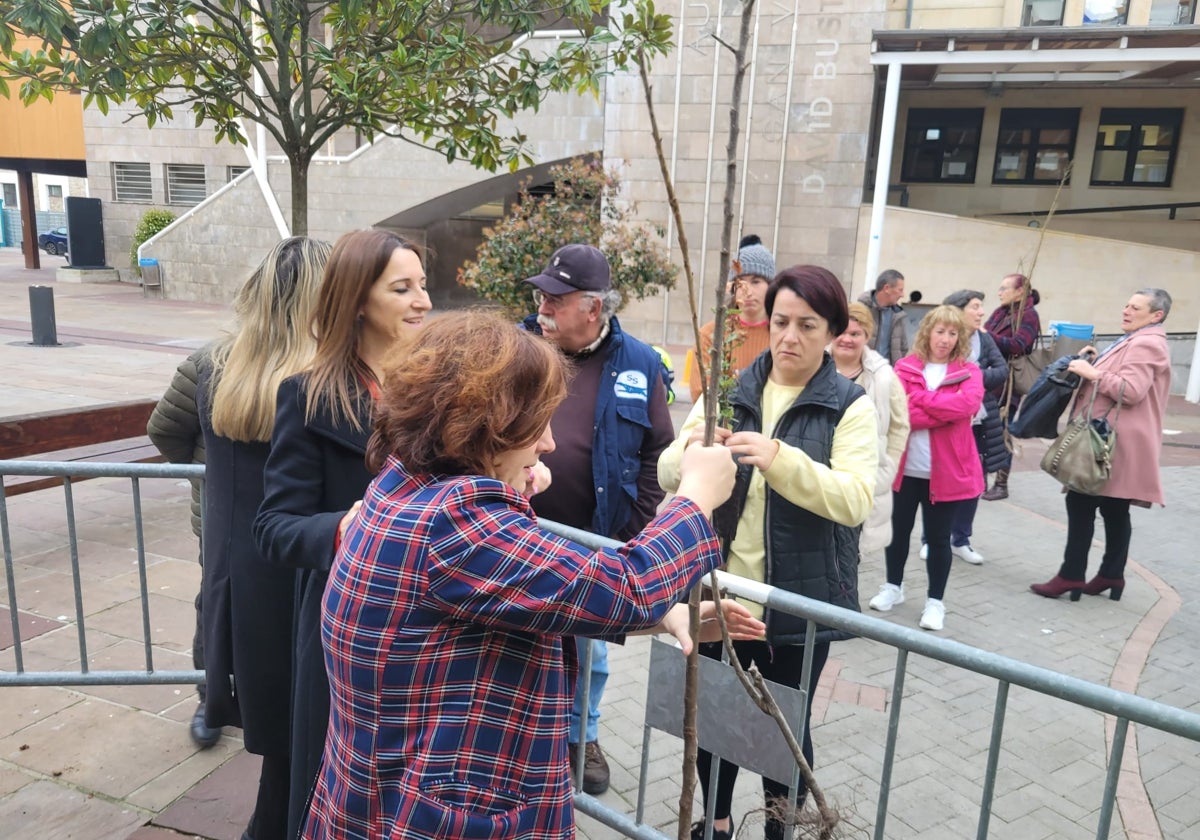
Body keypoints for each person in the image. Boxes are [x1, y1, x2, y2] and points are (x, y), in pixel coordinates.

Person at [300, 310, 760, 840]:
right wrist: (696, 497)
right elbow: (624, 586)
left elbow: (529, 601)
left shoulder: (405, 486)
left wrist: (666, 616)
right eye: (535, 423)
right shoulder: (454, 521)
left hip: (382, 802)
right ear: (483, 425)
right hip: (430, 820)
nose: (548, 443)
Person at [660, 265, 878, 840]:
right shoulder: (729, 390)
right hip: (718, 592)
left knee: (783, 728)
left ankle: (780, 827)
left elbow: (855, 500)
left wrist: (782, 458)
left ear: (833, 331)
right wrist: (696, 449)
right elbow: (667, 470)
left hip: (794, 603)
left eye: (809, 325)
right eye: (782, 321)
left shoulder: (848, 405)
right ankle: (718, 818)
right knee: (714, 717)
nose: (790, 337)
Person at [252, 229, 431, 840]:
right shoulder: (306, 396)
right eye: (402, 288)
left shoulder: (440, 388)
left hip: (432, 625)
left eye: (423, 286)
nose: (422, 302)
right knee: (343, 791)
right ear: (359, 300)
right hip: (346, 629)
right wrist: (344, 528)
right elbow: (274, 528)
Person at [519, 242, 676, 795]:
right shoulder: (519, 347)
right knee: (520, 641)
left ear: (592, 307)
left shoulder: (639, 362)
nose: (542, 305)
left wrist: (629, 532)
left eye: (555, 299)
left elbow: (660, 449)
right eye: (541, 294)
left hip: (593, 539)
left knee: (589, 649)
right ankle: (527, 736)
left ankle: (580, 737)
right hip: (518, 531)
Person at [195, 237, 330, 840]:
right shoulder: (320, 388)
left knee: (280, 743)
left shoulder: (216, 369)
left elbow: (166, 431)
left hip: (243, 578)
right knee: (305, 745)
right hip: (303, 581)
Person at [1030, 289, 1172, 601]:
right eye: (1126, 304)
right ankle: (1112, 574)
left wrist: (1093, 373)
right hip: (1115, 440)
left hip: (1109, 442)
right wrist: (1096, 360)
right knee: (1114, 508)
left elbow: (1131, 390)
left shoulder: (1147, 342)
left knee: (1080, 504)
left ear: (1156, 315)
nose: (1126, 311)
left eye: (1135, 307)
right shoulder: (1138, 338)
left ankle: (1072, 576)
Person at [868, 306, 984, 632]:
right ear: (927, 332)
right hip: (905, 471)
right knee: (898, 534)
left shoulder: (969, 372)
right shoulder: (904, 368)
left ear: (960, 338)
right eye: (939, 331)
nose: (945, 340)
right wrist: (943, 412)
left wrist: (922, 402)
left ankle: (935, 602)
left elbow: (967, 405)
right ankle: (893, 587)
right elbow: (899, 414)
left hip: (944, 475)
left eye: (952, 333)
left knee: (938, 538)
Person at [146, 349, 221, 750]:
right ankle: (210, 701)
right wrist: (202, 475)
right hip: (221, 517)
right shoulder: (208, 363)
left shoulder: (323, 356)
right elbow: (165, 430)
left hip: (292, 515)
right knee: (214, 605)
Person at [917, 290, 1008, 565]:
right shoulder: (938, 342)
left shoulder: (984, 338)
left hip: (980, 421)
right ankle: (930, 539)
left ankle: (961, 539)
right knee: (939, 480)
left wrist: (973, 376)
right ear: (958, 310)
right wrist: (967, 381)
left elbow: (1002, 370)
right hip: (947, 422)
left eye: (981, 307)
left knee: (974, 481)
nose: (981, 312)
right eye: (975, 307)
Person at [830, 301, 910, 557]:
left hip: (864, 478)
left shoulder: (883, 377)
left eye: (855, 334)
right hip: (821, 473)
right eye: (841, 331)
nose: (847, 339)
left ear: (867, 336)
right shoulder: (811, 367)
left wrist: (889, 466)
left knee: (850, 555)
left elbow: (900, 426)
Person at [688, 234, 775, 402]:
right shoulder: (711, 335)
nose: (747, 290)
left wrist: (733, 379)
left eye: (756, 281)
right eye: (740, 282)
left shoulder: (782, 335)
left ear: (771, 286)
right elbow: (701, 394)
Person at [980, 272, 1041, 501]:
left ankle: (1001, 484)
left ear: (1020, 291)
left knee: (1002, 431)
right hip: (989, 379)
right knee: (983, 430)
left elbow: (1018, 345)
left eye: (1005, 288)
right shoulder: (1000, 312)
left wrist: (988, 337)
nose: (1000, 292)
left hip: (1008, 385)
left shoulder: (1028, 315)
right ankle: (980, 478)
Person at [858, 268, 908, 363]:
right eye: (900, 290)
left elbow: (903, 347)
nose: (902, 295)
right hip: (862, 371)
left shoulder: (898, 315)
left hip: (888, 373)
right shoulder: (860, 310)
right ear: (887, 288)